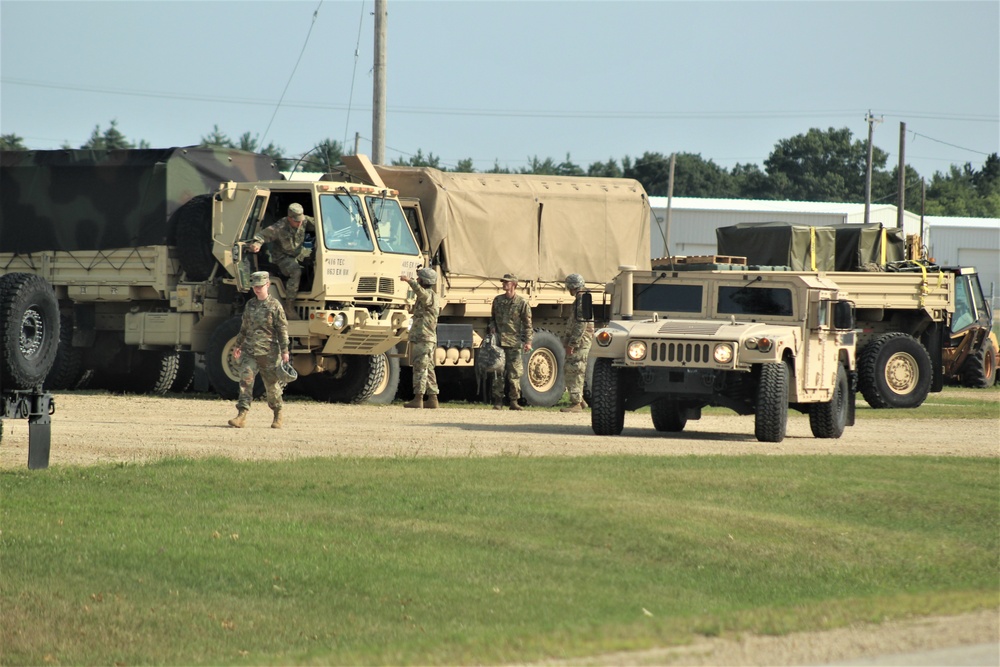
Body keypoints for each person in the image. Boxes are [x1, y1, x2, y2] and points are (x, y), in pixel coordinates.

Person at [227, 271, 290, 429]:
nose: (257, 289)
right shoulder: (250, 305)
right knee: (245, 379)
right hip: (251, 351)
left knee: (272, 386)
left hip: (269, 353)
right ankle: (241, 415)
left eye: (260, 286)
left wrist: (285, 351)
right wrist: (238, 345)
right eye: (254, 286)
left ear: (267, 285)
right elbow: (244, 328)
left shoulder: (275, 306)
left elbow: (282, 329)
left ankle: (278, 414)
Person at [248, 202, 315, 319]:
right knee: (295, 271)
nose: (300, 223)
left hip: (297, 256)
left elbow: (322, 224)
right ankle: (289, 307)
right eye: (296, 221)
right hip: (282, 259)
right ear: (289, 218)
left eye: (301, 220)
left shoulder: (304, 221)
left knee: (313, 265)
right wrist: (257, 244)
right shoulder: (280, 227)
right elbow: (262, 235)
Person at [488, 273, 532, 410]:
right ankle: (498, 400)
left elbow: (528, 324)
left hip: (514, 343)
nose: (504, 284)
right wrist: (492, 327)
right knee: (498, 373)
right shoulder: (498, 301)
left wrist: (528, 341)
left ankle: (514, 401)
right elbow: (492, 319)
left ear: (514, 284)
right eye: (503, 282)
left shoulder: (522, 303)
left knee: (514, 373)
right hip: (499, 343)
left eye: (506, 282)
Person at [400, 267, 441, 409]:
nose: (417, 280)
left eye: (419, 279)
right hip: (425, 338)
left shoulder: (429, 296)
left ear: (423, 281)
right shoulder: (429, 297)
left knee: (419, 367)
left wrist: (409, 281)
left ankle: (418, 398)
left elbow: (421, 293)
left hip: (424, 338)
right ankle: (433, 398)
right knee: (428, 368)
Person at [560, 273, 593, 413]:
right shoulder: (581, 299)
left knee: (574, 369)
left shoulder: (582, 300)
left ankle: (576, 403)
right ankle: (580, 400)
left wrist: (572, 344)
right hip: (580, 340)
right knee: (573, 368)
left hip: (580, 342)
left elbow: (581, 324)